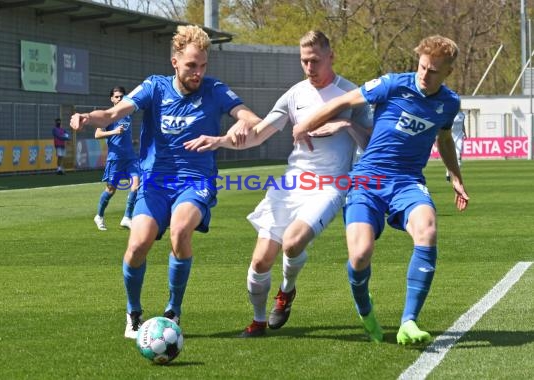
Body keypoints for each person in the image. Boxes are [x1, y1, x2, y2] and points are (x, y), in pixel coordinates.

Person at [69, 25, 261, 339]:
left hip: (196, 181)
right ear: (175, 62)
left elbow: (252, 119)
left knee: (181, 230)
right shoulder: (155, 88)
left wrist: (238, 125)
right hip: (155, 182)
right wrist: (88, 118)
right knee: (138, 244)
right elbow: (113, 112)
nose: (197, 72)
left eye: (202, 66)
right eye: (191, 66)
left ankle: (173, 310)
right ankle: (133, 313)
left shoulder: (214, 90)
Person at [184, 30, 373, 337]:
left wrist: (347, 123)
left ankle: (286, 290)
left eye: (314, 60)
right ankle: (258, 321)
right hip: (291, 183)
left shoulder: (352, 94)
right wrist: (219, 140)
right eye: (304, 61)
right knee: (260, 260)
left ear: (330, 57)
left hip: (331, 184)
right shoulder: (294, 94)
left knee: (293, 241)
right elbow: (258, 133)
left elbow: (371, 141)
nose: (309, 68)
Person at [293, 35, 470, 345]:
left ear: (448, 73)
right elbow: (342, 102)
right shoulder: (392, 84)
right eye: (422, 67)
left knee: (427, 230)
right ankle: (366, 310)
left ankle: (409, 322)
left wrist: (454, 176)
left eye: (433, 71)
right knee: (360, 255)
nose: (424, 75)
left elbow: (443, 139)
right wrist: (304, 124)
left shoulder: (449, 103)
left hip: (407, 181)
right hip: (368, 179)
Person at [93, 86, 140, 231]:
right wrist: (114, 131)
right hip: (115, 159)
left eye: (121, 96)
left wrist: (132, 141)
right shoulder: (107, 116)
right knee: (111, 189)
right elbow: (97, 134)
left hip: (130, 157)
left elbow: (123, 135)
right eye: (117, 96)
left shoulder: (127, 115)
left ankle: (127, 217)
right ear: (112, 98)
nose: (119, 99)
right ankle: (99, 216)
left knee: (136, 185)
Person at [445, 110, 466, 182]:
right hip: (451, 137)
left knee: (458, 156)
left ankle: (457, 175)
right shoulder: (450, 114)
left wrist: (464, 133)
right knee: (450, 157)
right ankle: (448, 173)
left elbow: (463, 125)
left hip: (459, 136)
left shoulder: (462, 115)